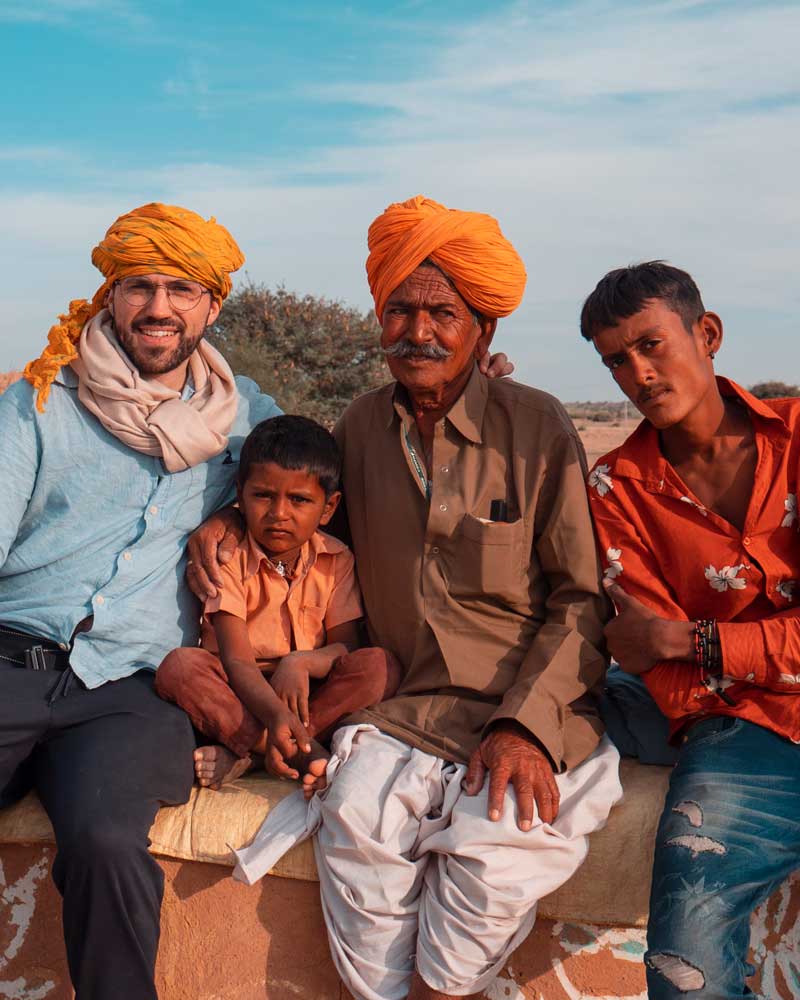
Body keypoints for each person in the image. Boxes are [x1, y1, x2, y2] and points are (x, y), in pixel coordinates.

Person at [201, 195, 622, 1000]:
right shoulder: (359, 429)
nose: (418, 332)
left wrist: (525, 727)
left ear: (483, 332)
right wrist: (222, 543)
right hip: (399, 713)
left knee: (494, 866)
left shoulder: (536, 427)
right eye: (399, 309)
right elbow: (309, 538)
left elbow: (580, 600)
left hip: (521, 711)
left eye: (442, 313)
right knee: (355, 830)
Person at [0, 202, 283, 1000]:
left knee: (106, 843)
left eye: (181, 290)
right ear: (110, 296)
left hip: (134, 686)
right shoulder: (37, 403)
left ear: (211, 306)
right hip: (12, 657)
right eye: (140, 287)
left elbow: (321, 486)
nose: (160, 308)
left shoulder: (246, 417)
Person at [581, 260, 800, 998]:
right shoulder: (616, 488)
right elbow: (661, 671)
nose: (638, 372)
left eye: (651, 345)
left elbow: (674, 646)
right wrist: (688, 652)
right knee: (686, 971)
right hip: (741, 740)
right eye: (617, 358)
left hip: (739, 706)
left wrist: (697, 638)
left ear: (706, 334)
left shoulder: (799, 438)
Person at [156, 414, 402, 789]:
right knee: (179, 668)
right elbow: (236, 660)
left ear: (329, 507)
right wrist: (273, 716)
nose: (278, 514)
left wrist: (301, 662)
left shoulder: (336, 559)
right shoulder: (229, 555)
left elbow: (347, 645)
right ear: (240, 495)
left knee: (379, 665)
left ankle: (251, 755)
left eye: (299, 500)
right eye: (263, 496)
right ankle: (298, 752)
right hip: (238, 690)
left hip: (306, 697)